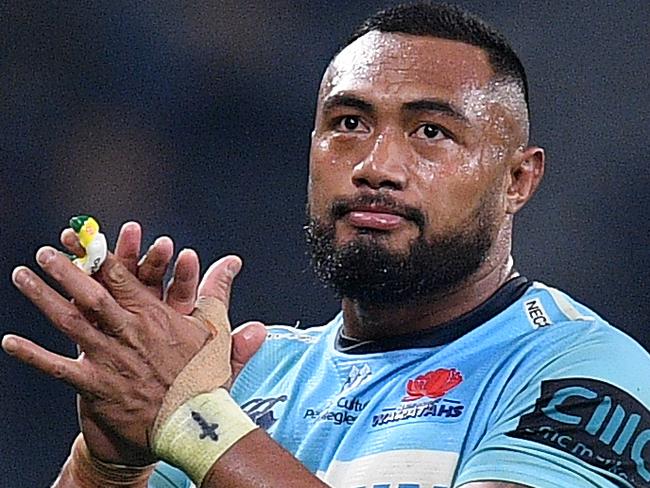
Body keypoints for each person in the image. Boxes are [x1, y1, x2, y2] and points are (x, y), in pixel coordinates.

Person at [4, 3, 650, 487]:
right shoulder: (243, 375)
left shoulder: (586, 377)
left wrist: (193, 422)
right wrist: (113, 460)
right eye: (348, 124)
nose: (376, 164)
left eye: (430, 131)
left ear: (518, 179)